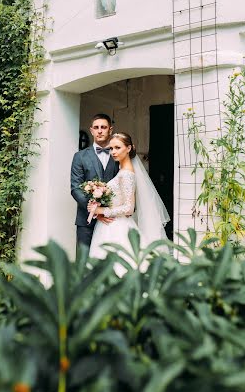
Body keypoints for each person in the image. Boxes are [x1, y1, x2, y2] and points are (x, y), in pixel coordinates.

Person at [88, 132, 170, 274]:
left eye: (117, 148)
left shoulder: (127, 174)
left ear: (129, 148)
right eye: (111, 148)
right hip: (110, 224)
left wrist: (101, 211)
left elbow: (128, 208)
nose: (113, 152)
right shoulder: (122, 170)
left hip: (118, 227)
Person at [70, 113, 119, 251]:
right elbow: (75, 188)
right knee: (84, 264)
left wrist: (107, 211)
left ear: (110, 129)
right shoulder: (79, 157)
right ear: (91, 130)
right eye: (96, 127)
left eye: (103, 127)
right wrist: (96, 211)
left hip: (112, 219)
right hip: (86, 220)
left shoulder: (118, 155)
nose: (99, 130)